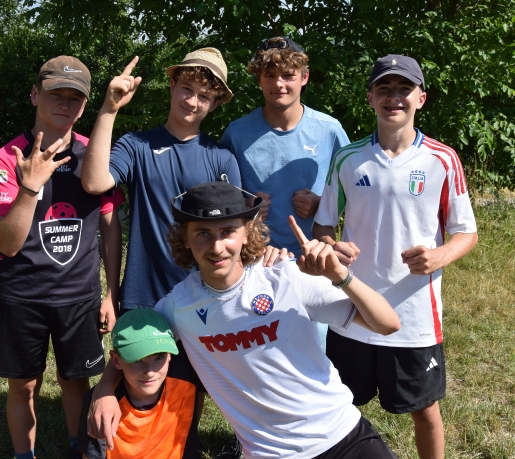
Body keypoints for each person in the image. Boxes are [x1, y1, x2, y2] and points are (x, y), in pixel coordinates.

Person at [89, 181, 402, 458]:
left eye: (227, 231)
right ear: (185, 238)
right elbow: (133, 343)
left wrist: (340, 276)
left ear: (246, 233)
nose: (217, 247)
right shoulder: (177, 307)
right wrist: (104, 391)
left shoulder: (284, 277)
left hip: (342, 434)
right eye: (202, 233)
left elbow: (387, 324)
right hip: (269, 452)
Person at [313, 55, 479, 459]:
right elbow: (323, 226)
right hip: (352, 309)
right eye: (384, 88)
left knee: (425, 411)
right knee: (334, 406)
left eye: (404, 88)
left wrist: (439, 256)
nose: (394, 97)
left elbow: (467, 233)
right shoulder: (348, 158)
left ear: (421, 98)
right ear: (370, 98)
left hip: (414, 314)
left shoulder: (442, 159)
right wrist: (333, 245)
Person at [0, 56, 124, 459]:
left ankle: (78, 450)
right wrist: (29, 187)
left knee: (76, 382)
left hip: (79, 295)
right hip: (21, 294)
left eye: (74, 98)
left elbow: (110, 226)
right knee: (24, 385)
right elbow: (7, 244)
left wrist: (111, 294)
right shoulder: (7, 157)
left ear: (84, 106)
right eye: (55, 94)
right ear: (35, 94)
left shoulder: (95, 155)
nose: (64, 104)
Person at [81, 48, 241, 311]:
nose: (192, 101)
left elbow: (235, 233)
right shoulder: (135, 146)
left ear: (215, 104)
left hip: (206, 299)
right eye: (187, 89)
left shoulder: (222, 159)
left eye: (204, 96)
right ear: (172, 85)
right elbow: (94, 183)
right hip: (143, 298)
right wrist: (109, 109)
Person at [220, 36, 349, 257]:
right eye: (270, 75)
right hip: (256, 258)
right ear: (259, 80)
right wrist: (244, 207)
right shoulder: (236, 133)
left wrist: (321, 205)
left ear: (304, 77)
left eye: (288, 75)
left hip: (314, 257)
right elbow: (221, 196)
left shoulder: (330, 130)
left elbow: (356, 194)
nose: (278, 84)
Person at [78, 308, 203, 459]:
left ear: (170, 354)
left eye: (159, 357)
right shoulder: (102, 403)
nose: (150, 372)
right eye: (137, 360)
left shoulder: (186, 374)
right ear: (116, 360)